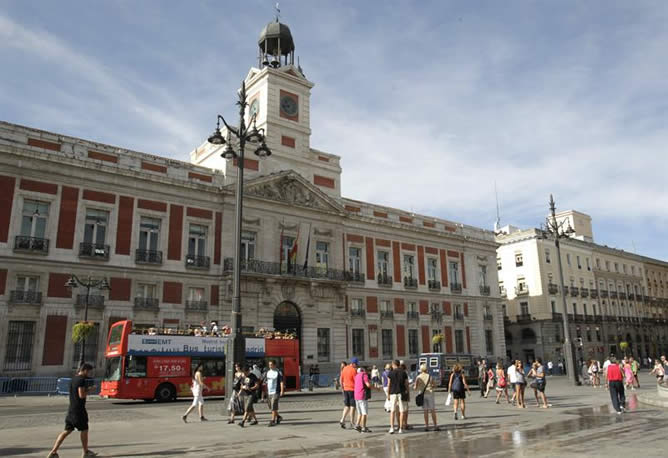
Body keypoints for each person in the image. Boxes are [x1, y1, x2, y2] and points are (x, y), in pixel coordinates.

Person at [47, 363, 97, 458]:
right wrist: (91, 389)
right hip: (79, 410)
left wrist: (87, 388)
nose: (90, 373)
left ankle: (53, 452)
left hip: (71, 409)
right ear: (85, 370)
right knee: (84, 429)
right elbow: (81, 395)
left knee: (66, 431)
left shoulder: (74, 379)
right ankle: (85, 452)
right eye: (89, 371)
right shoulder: (81, 380)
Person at [387, 359, 409, 434]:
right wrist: (408, 393)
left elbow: (389, 384)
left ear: (393, 365)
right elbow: (406, 384)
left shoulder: (391, 373)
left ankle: (392, 427)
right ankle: (400, 428)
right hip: (401, 393)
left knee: (392, 411)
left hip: (393, 393)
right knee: (402, 411)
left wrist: (388, 394)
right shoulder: (403, 372)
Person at [414, 363, 438, 431]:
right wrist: (432, 386)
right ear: (426, 369)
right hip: (430, 394)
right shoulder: (429, 376)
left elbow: (415, 388)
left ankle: (426, 426)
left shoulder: (418, 377)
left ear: (421, 369)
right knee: (432, 410)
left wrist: (416, 387)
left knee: (425, 411)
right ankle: (435, 425)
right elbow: (434, 385)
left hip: (422, 394)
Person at [339, 357, 358, 429]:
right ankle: (352, 422)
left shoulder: (344, 368)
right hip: (352, 389)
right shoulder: (353, 370)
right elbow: (356, 381)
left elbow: (341, 379)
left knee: (347, 406)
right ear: (353, 364)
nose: (356, 365)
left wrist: (342, 388)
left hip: (345, 389)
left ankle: (342, 419)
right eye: (356, 364)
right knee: (353, 406)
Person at [265, 360, 285, 427]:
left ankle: (272, 420)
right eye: (269, 364)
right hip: (269, 392)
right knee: (271, 406)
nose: (270, 366)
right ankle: (279, 417)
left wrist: (282, 391)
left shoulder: (278, 372)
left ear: (274, 365)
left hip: (276, 391)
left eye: (271, 364)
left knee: (273, 406)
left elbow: (281, 382)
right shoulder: (268, 372)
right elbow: (267, 381)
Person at [354, 366, 372, 433]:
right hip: (362, 395)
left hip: (356, 395)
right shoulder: (364, 375)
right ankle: (363, 427)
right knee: (364, 413)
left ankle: (357, 425)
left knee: (359, 412)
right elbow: (368, 385)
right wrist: (375, 387)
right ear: (366, 371)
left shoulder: (357, 375)